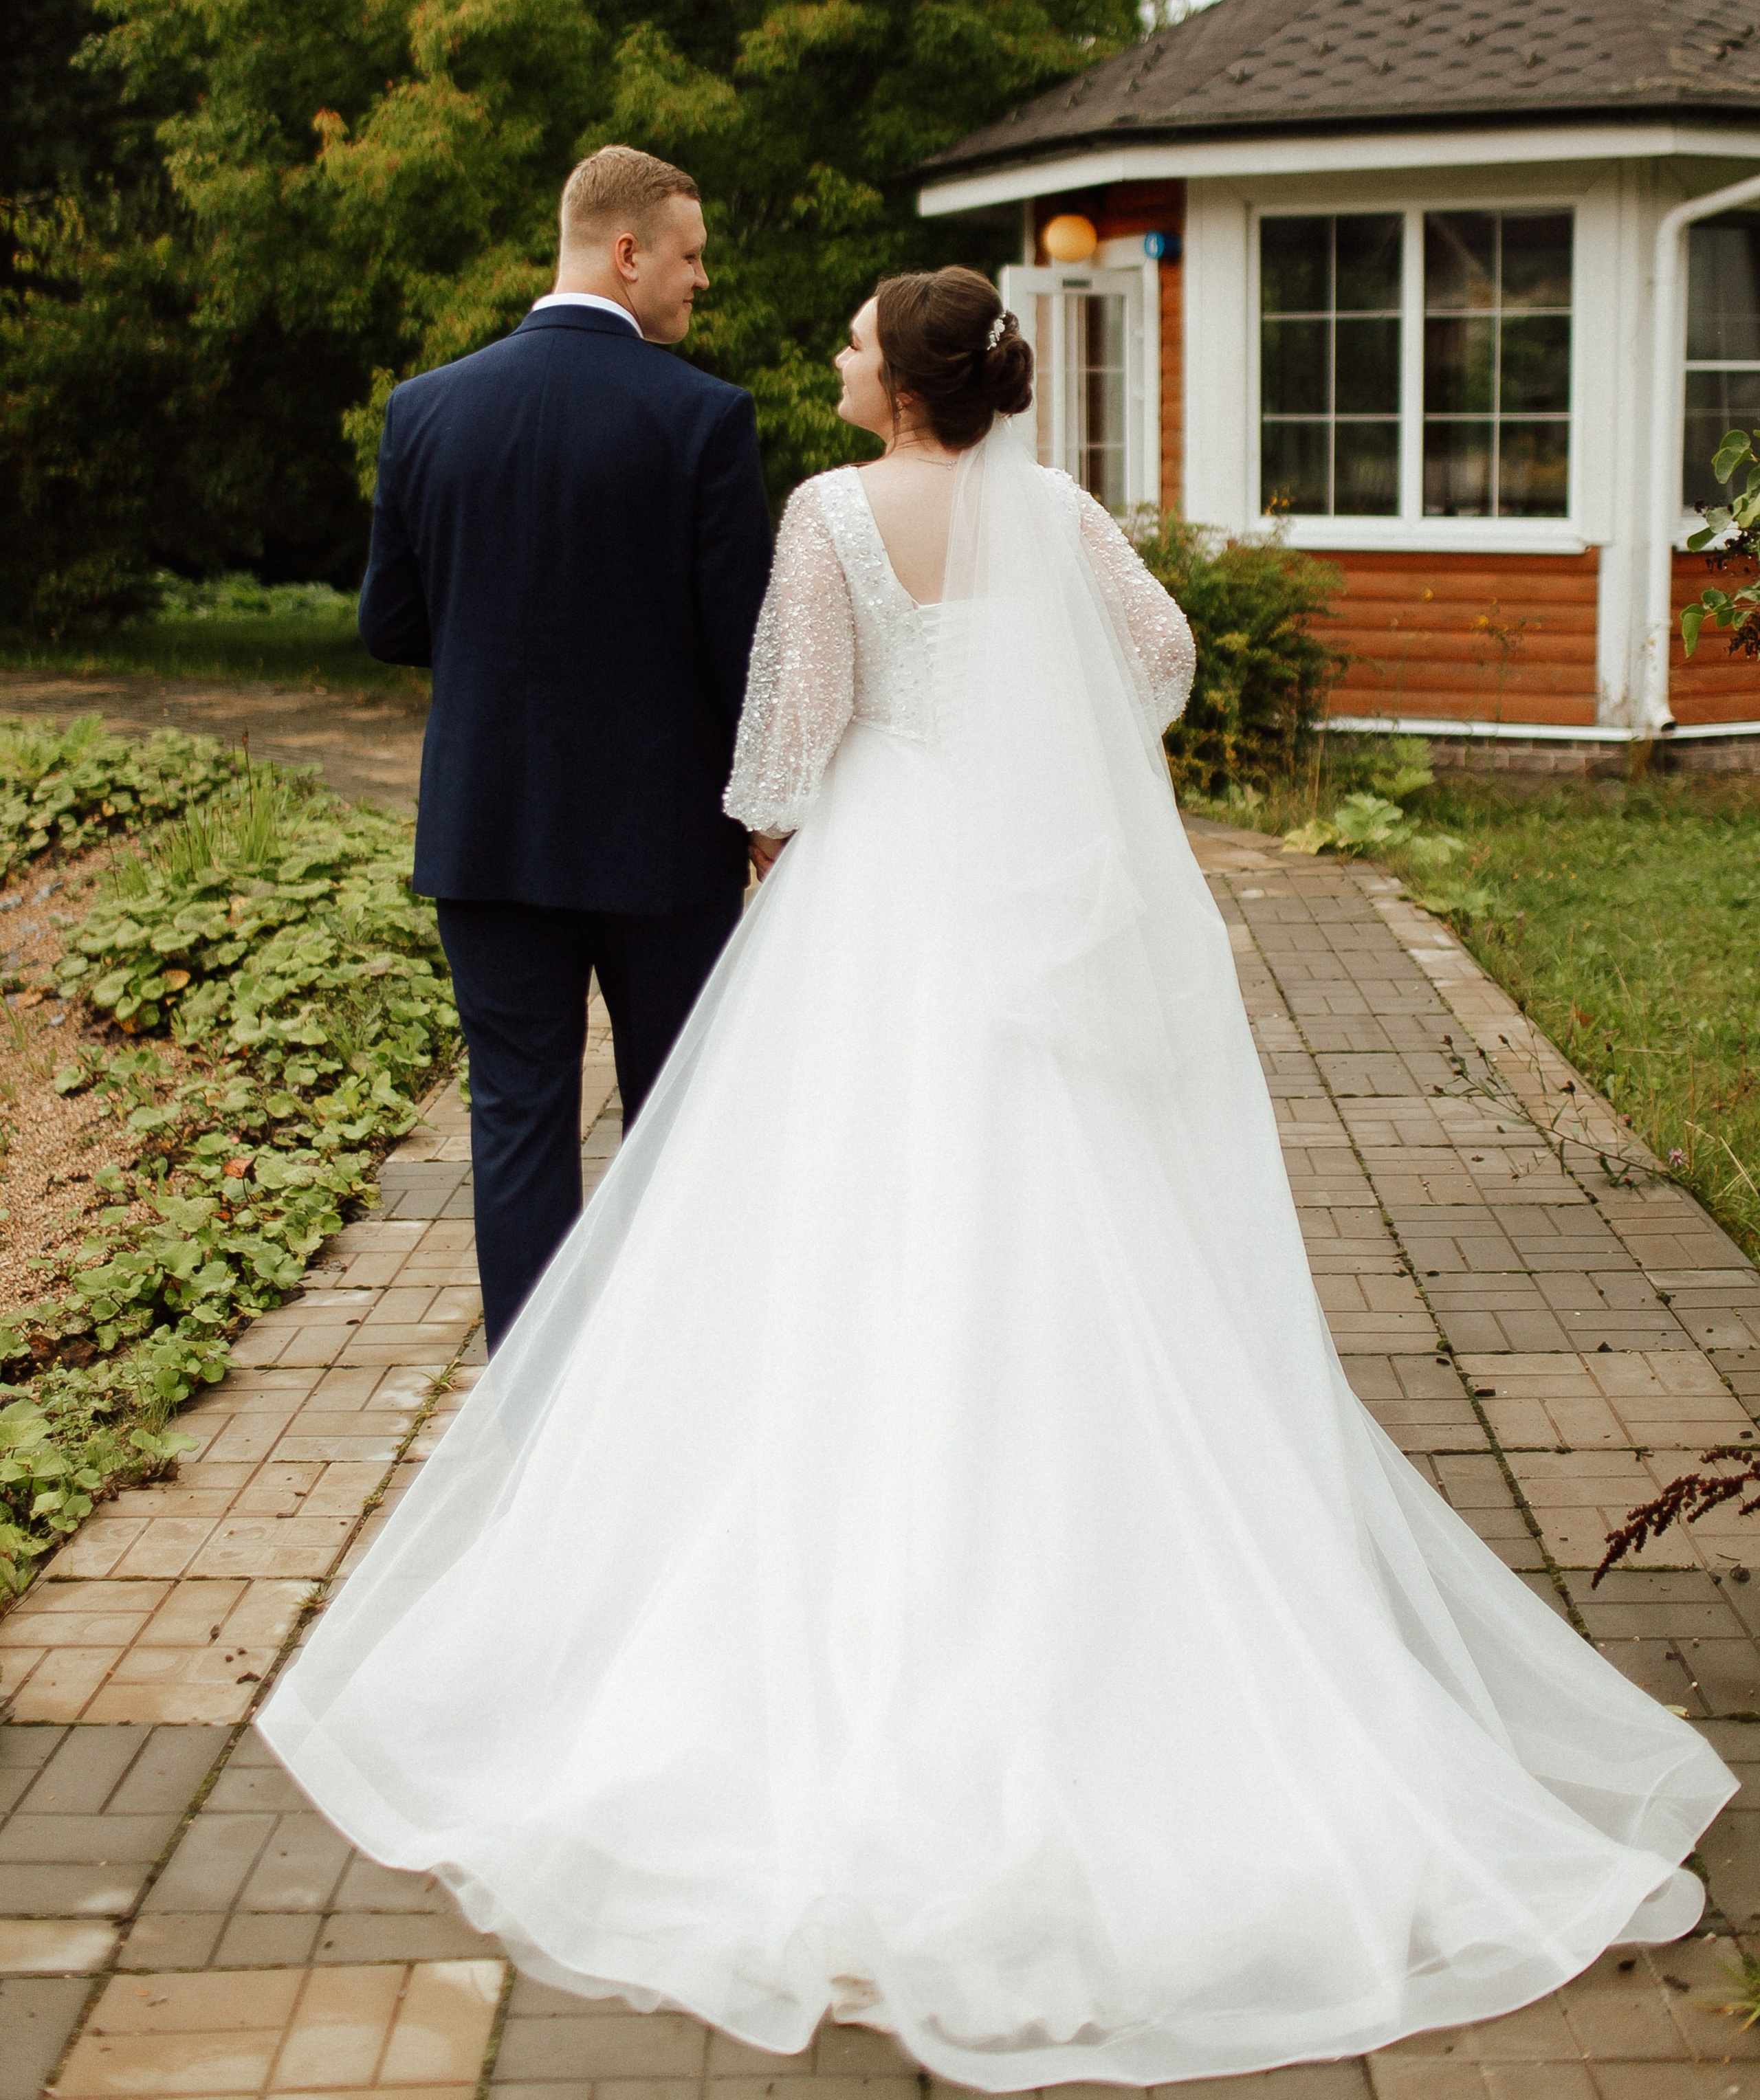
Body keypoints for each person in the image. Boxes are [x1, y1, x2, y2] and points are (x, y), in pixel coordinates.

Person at [265, 266, 1734, 2090]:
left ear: (896, 383)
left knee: (844, 1227)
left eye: (854, 334)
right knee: (1061, 1230)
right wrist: (1061, 771)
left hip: (878, 899)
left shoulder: (828, 511)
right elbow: (1161, 658)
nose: (834, 348)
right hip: (1020, 899)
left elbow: (791, 737)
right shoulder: (1053, 509)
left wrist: (783, 827)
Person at [355, 144, 772, 1351]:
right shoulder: (701, 415)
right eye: (689, 258)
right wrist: (767, 818)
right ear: (627, 251)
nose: (701, 284)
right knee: (675, 1121)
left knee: (517, 1120)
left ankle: (532, 1407)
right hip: (663, 840)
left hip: (487, 827)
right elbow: (739, 652)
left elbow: (389, 626)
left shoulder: (426, 406)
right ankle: (667, 1379)